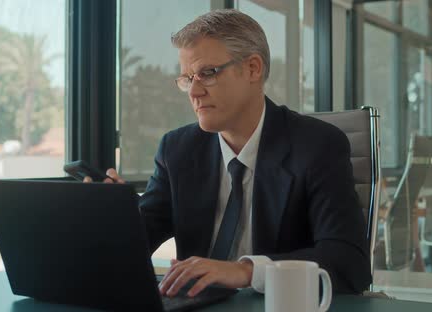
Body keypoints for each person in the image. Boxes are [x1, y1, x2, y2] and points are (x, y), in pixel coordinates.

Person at [85, 9, 371, 297]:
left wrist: (246, 271)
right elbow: (139, 241)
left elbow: (349, 263)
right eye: (187, 78)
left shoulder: (317, 145)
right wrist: (113, 216)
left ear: (252, 69)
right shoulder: (177, 150)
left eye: (207, 74)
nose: (194, 92)